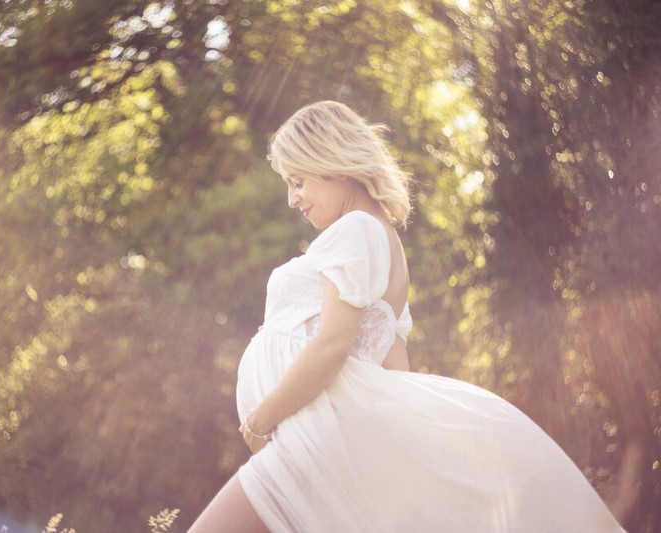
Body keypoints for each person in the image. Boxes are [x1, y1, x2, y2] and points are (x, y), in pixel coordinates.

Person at [189, 101, 624, 532]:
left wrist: (261, 421)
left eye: (297, 180)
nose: (291, 198)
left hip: (307, 443)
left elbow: (333, 344)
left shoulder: (355, 229)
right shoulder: (382, 241)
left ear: (333, 164)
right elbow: (392, 367)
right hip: (322, 442)